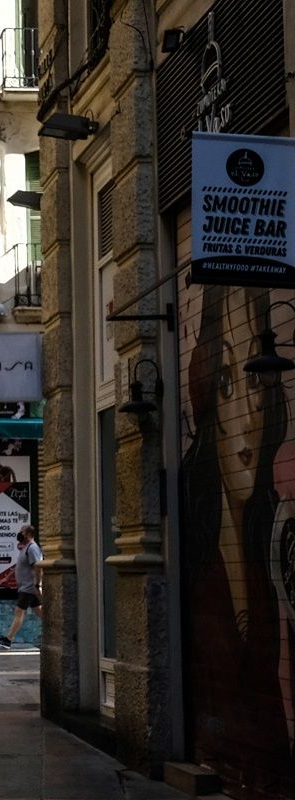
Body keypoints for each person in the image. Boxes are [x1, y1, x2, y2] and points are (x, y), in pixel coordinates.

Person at [180, 284, 295, 782]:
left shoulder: (276, 534)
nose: (247, 417)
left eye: (255, 382)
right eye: (227, 383)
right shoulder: (194, 548)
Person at [0, 524, 42, 648]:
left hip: (29, 587)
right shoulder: (26, 548)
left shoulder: (32, 548)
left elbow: (38, 566)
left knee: (19, 611)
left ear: (28, 534)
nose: (19, 534)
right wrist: (7, 577)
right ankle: (57, 632)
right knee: (41, 612)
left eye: (22, 532)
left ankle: (8, 639)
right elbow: (18, 566)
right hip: (27, 587)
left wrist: (38, 584)